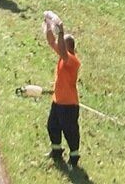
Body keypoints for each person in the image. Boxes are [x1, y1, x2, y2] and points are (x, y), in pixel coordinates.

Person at [45, 12, 81, 167]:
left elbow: (59, 46)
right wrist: (47, 25)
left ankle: (74, 157)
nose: (59, 48)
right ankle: (56, 150)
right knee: (52, 126)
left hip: (69, 105)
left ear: (69, 47)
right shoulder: (62, 57)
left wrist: (61, 32)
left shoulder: (72, 60)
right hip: (58, 101)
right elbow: (52, 42)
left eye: (63, 46)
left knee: (70, 131)